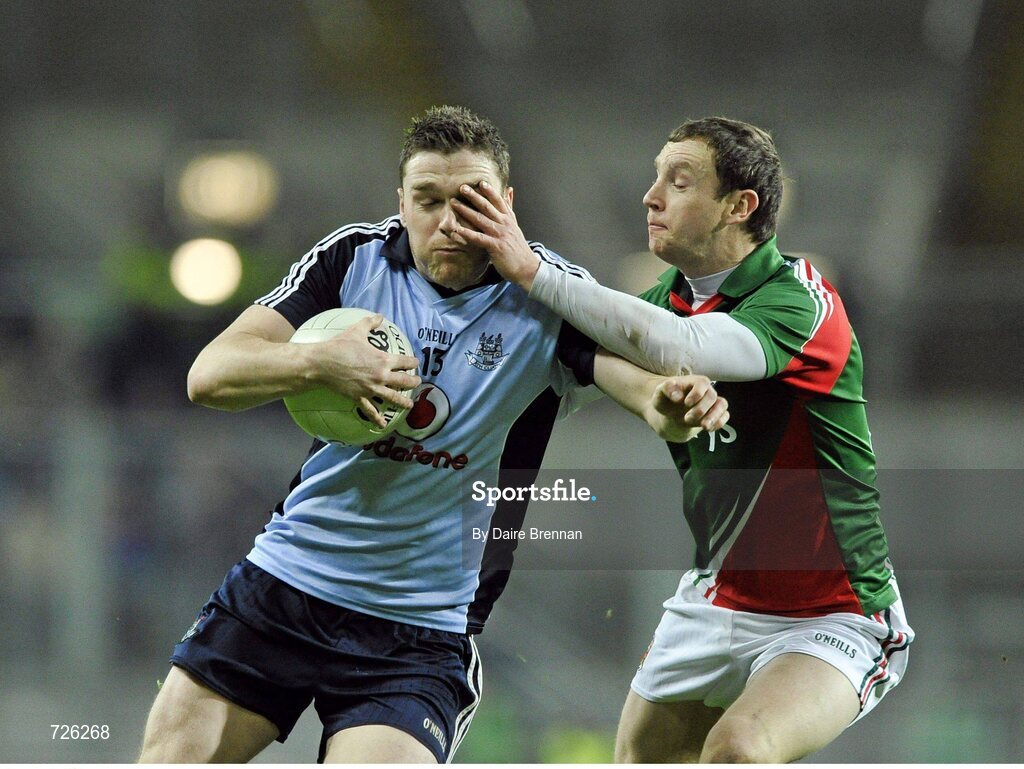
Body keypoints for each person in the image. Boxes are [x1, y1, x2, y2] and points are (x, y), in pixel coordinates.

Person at [137, 105, 729, 764]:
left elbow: (643, 388)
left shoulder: (549, 295)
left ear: (506, 204)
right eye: (429, 200)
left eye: (471, 201)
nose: (449, 222)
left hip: (418, 632)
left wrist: (671, 404)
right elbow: (209, 375)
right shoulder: (353, 259)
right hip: (282, 587)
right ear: (401, 201)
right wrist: (317, 359)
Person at [451, 115, 914, 763]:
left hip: (834, 613)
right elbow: (586, 374)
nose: (651, 194)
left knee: (740, 746)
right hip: (714, 595)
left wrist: (533, 270)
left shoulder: (802, 299)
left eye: (680, 179)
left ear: (739, 207)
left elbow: (681, 347)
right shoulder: (662, 303)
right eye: (655, 175)